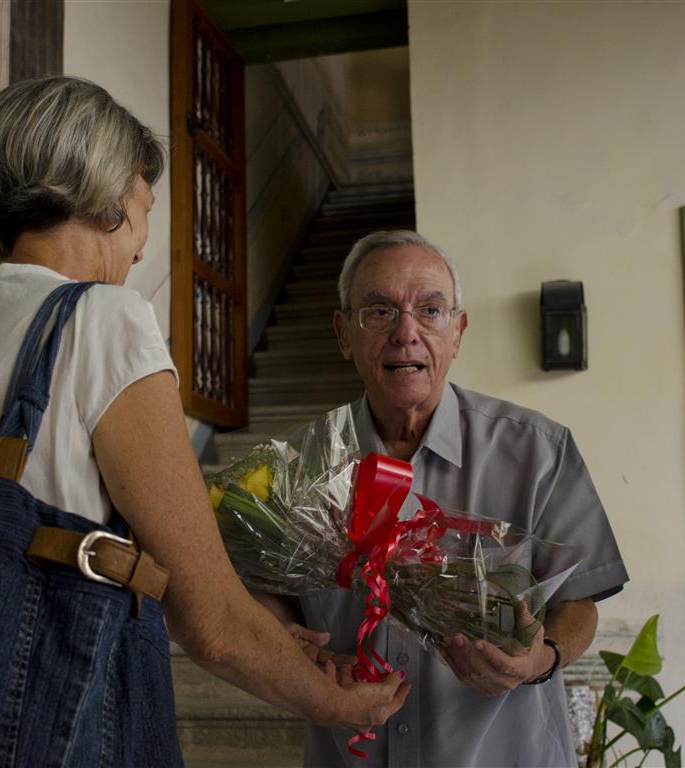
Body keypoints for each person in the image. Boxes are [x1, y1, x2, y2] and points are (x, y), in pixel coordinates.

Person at [0, 76, 408, 762]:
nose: (140, 248)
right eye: (144, 207)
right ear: (104, 200)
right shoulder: (103, 319)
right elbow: (211, 623)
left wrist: (268, 633)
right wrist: (334, 704)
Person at [256, 230, 628, 767]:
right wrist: (286, 642)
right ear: (343, 334)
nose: (406, 333)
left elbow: (580, 603)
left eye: (429, 310)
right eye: (379, 311)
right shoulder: (296, 467)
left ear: (458, 332)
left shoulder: (537, 451)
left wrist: (540, 659)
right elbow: (270, 597)